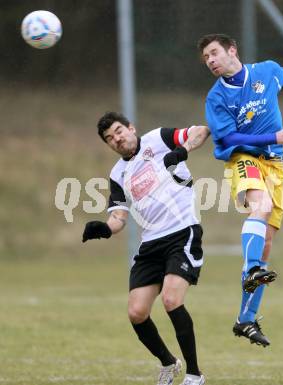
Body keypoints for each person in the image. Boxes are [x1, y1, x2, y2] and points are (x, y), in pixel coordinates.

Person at [197, 33, 283, 347]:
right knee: (259, 208)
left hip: (275, 165)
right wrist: (273, 137)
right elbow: (230, 138)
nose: (210, 61)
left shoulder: (266, 71)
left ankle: (245, 319)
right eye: (206, 57)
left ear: (232, 50)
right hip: (244, 159)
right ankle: (252, 269)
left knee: (265, 244)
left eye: (214, 53)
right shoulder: (216, 97)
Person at [82, 112, 210, 385]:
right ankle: (168, 363)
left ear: (131, 128)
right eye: (109, 138)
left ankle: (194, 374)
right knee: (136, 312)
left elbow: (202, 130)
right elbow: (118, 217)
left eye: (118, 131)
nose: (116, 139)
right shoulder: (117, 174)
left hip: (182, 231)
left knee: (171, 300)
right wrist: (104, 229)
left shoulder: (158, 138)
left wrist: (181, 151)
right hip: (151, 243)